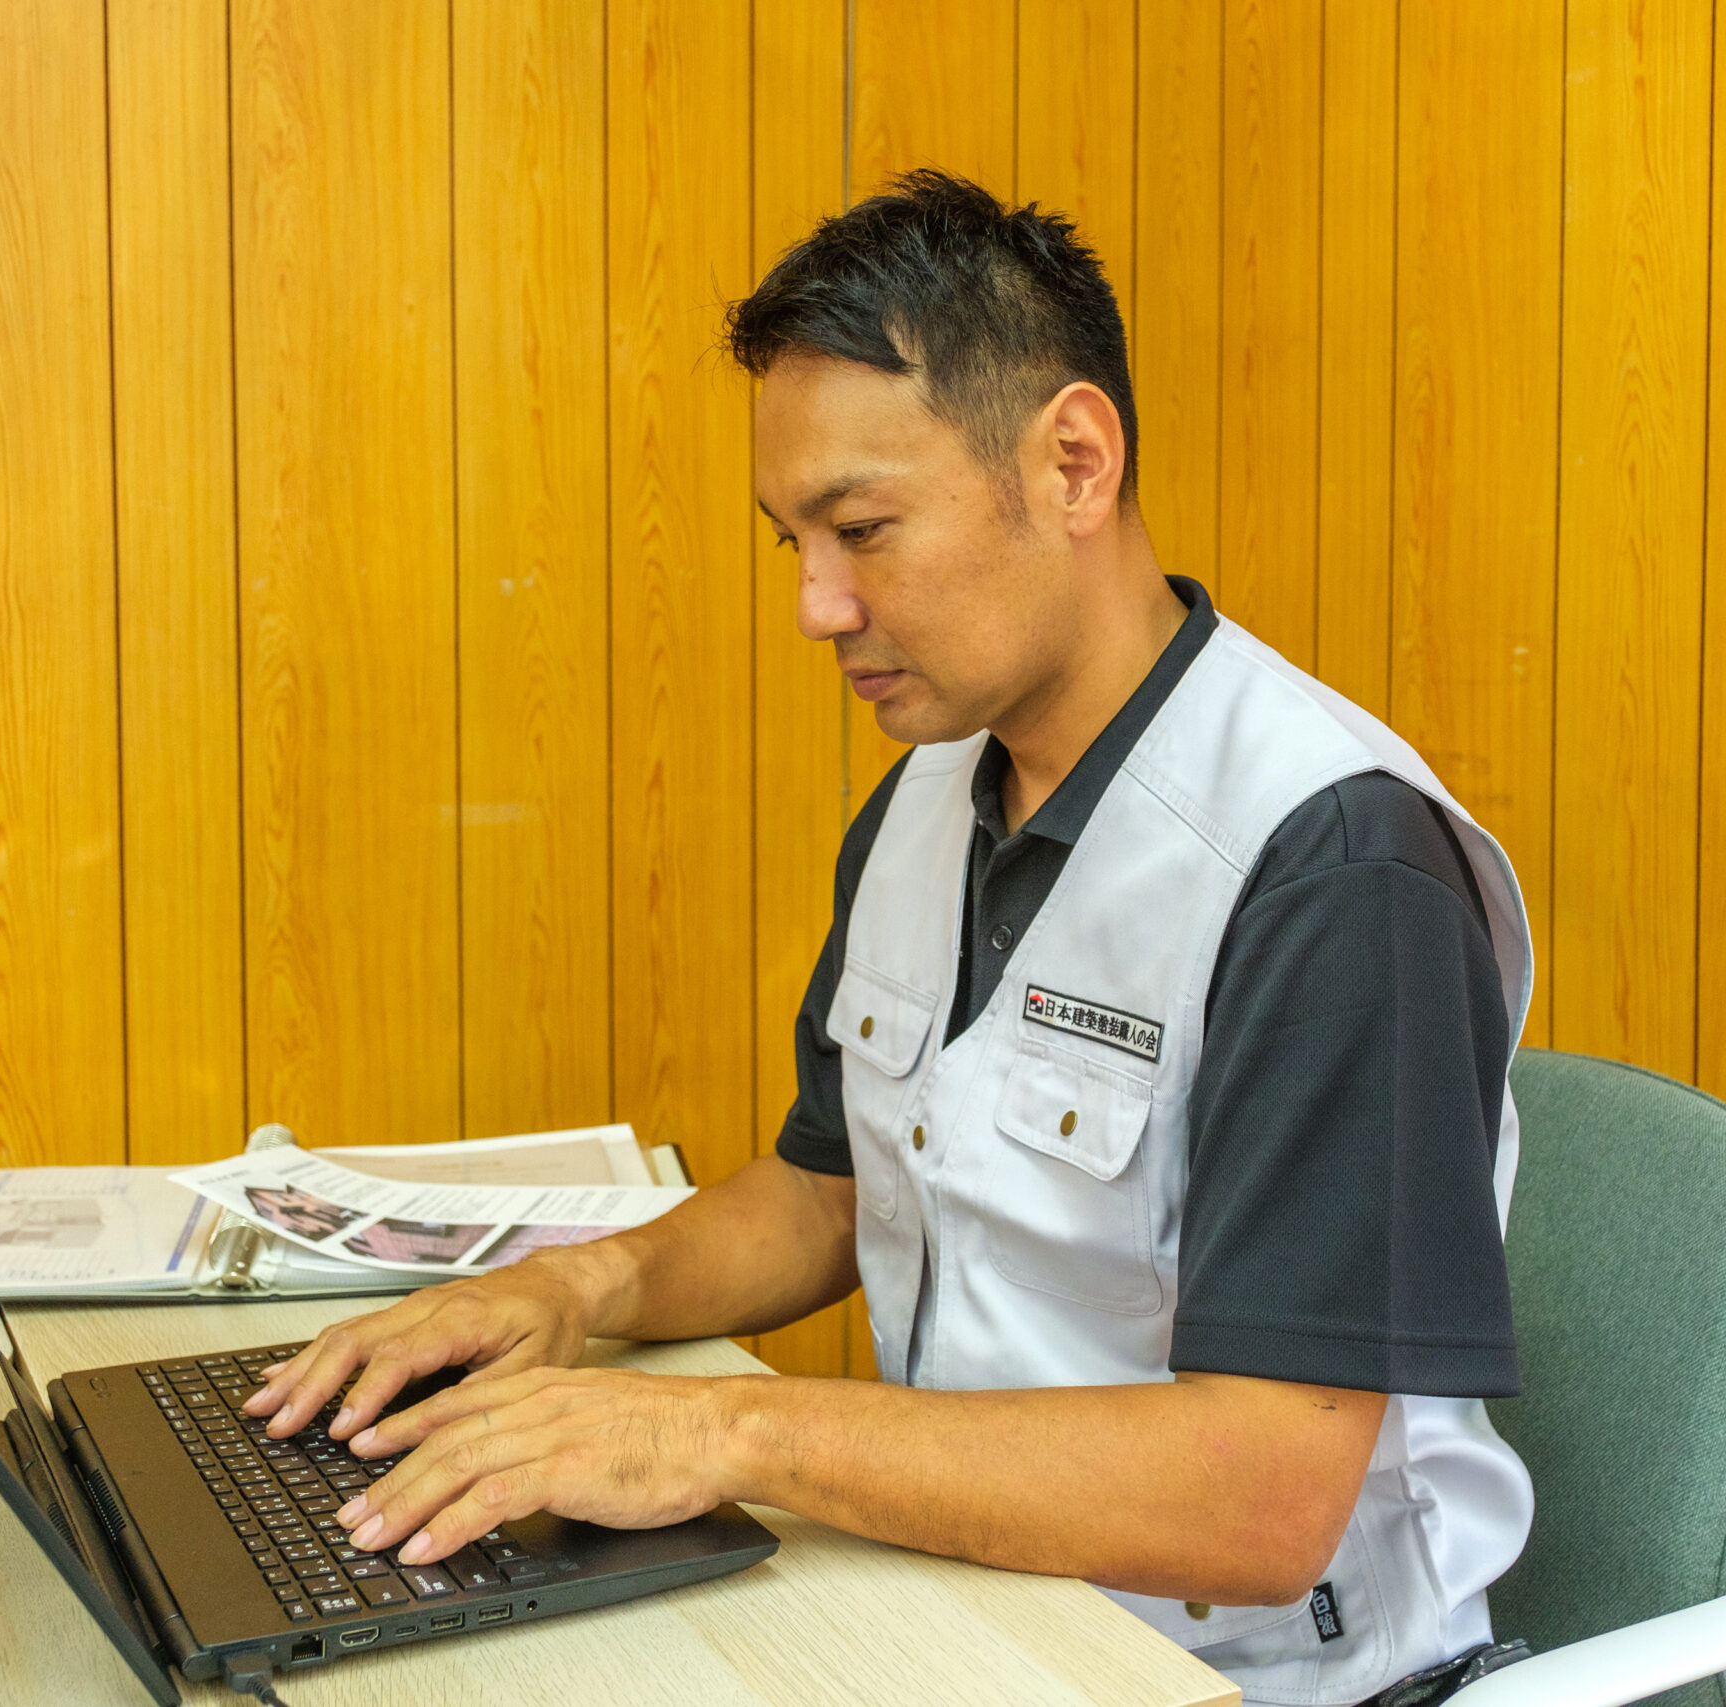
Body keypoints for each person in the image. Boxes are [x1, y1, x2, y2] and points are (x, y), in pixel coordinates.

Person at [243, 170, 1535, 1705]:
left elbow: (1261, 1497)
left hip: (1243, 1675)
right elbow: (827, 1190)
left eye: (863, 531)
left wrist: (727, 1431)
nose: (818, 606)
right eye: (794, 541)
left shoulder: (1331, 864)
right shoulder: (930, 797)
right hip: (967, 1607)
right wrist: (573, 1294)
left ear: (1073, 463)